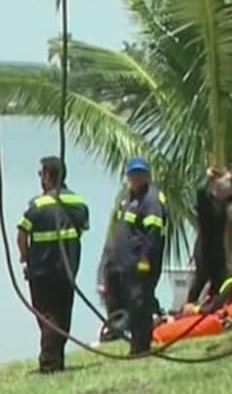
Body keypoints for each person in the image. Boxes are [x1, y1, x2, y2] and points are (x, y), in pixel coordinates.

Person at [16, 156, 90, 373]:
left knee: (46, 315)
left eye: (41, 174)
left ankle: (49, 362)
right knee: (62, 314)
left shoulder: (38, 205)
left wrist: (24, 256)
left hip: (41, 271)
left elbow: (21, 234)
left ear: (48, 176)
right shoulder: (79, 202)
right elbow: (81, 231)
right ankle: (57, 359)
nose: (40, 179)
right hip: (67, 269)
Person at [104, 157, 169, 356]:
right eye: (133, 174)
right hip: (123, 264)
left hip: (141, 264)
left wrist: (145, 259)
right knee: (130, 304)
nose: (136, 178)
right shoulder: (128, 200)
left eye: (140, 174)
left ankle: (142, 346)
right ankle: (135, 344)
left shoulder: (151, 200)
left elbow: (153, 233)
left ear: (147, 176)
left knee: (140, 303)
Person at [186, 166, 232, 306]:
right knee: (199, 282)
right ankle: (188, 309)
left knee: (221, 287)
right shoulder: (206, 202)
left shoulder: (225, 204)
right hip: (206, 253)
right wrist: (208, 177)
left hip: (220, 255)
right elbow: (200, 190)